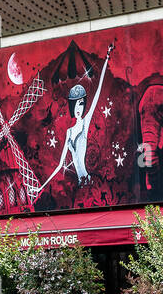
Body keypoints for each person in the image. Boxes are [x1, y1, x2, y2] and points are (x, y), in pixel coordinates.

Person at [38, 42, 115, 192]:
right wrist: (41, 187)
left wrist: (106, 58)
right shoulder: (69, 132)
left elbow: (98, 91)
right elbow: (60, 165)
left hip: (89, 182)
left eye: (81, 104)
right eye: (76, 105)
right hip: (81, 186)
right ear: (72, 107)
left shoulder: (85, 123)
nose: (79, 108)